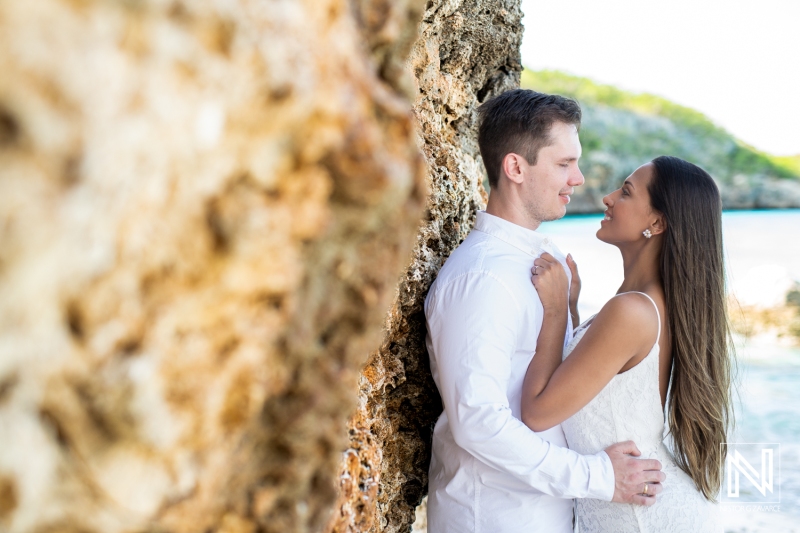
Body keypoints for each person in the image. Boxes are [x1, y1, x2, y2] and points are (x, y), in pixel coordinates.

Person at [424, 89, 665, 533]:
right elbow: (478, 423)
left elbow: (552, 379)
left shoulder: (543, 258)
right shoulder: (483, 278)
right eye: (563, 164)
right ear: (515, 167)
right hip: (494, 518)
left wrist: (568, 313)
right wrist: (598, 476)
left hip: (546, 514)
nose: (579, 180)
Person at [522, 156, 732, 532]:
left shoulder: (632, 310)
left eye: (626, 192)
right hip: (636, 507)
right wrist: (570, 308)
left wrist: (554, 313)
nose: (607, 197)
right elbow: (597, 387)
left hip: (643, 517)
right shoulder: (647, 302)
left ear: (656, 222)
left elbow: (537, 413)